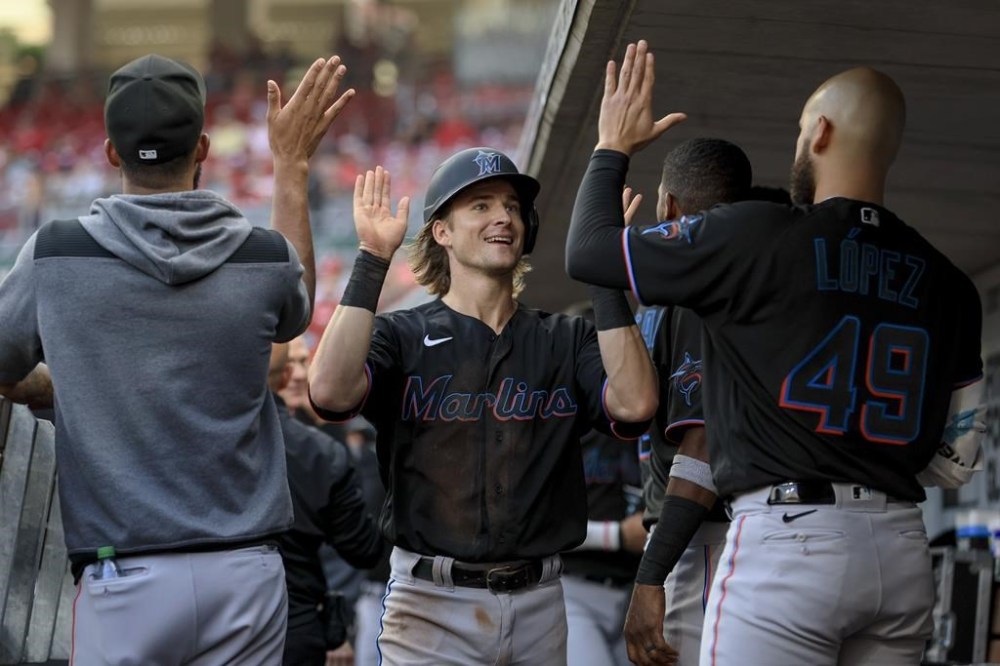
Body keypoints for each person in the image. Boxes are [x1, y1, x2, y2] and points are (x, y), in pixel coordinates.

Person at [566, 41, 985, 666]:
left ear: (819, 133)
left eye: (797, 131)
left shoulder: (757, 233)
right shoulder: (949, 280)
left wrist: (611, 145)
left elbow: (589, 252)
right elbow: (958, 459)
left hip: (791, 537)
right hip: (900, 545)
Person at [0, 53, 355, 664]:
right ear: (204, 149)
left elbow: (2, 364)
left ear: (112, 152)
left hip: (122, 579)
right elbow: (296, 309)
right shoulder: (260, 257)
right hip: (245, 572)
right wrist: (292, 166)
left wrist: (55, 386)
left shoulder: (54, 254)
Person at [307, 148, 659, 665]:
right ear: (442, 232)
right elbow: (330, 393)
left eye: (512, 207)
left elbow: (635, 404)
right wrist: (372, 261)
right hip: (429, 604)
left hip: (542, 601)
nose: (503, 217)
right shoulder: (401, 335)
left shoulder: (566, 337)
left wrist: (604, 278)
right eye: (481, 205)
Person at [631, 138, 753, 666]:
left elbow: (701, 448)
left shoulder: (698, 293)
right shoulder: (728, 283)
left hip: (703, 535)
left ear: (669, 205)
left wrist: (650, 575)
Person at [268, 342, 384, 666]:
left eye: (304, 361)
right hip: (293, 621)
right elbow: (364, 547)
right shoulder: (316, 449)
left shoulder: (326, 441)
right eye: (289, 364)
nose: (298, 374)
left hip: (300, 619)